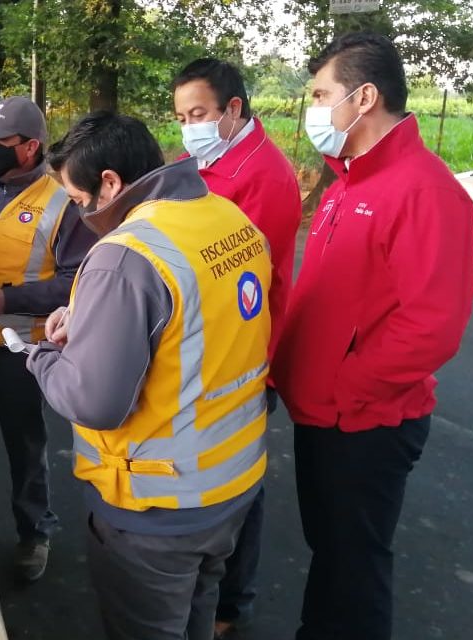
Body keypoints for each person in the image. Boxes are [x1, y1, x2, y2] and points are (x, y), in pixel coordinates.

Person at [28, 111, 273, 640]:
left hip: (157, 502)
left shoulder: (126, 255)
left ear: (110, 183)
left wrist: (44, 355)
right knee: (197, 617)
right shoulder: (226, 218)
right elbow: (196, 324)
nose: (78, 212)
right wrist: (98, 319)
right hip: (231, 483)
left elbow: (94, 401)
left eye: (76, 199)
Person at [270, 33, 473, 640]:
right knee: (332, 556)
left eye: (320, 95)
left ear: (363, 98)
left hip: (362, 422)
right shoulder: (346, 185)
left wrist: (344, 386)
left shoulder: (425, 191)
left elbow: (431, 327)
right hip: (324, 414)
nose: (313, 109)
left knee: (355, 570)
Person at [171, 58, 302, 639]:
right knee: (205, 476)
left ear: (233, 110)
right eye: (180, 116)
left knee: (239, 480)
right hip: (199, 349)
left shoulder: (266, 177)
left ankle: (231, 604)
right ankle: (204, 586)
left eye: (198, 113)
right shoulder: (193, 162)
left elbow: (235, 275)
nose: (188, 126)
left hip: (244, 356)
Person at [0, 96, 95, 583]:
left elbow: (76, 280)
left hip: (21, 351)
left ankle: (35, 534)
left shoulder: (61, 204)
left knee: (25, 449)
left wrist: (8, 299)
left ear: (30, 147)